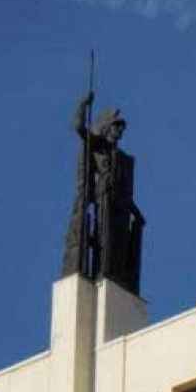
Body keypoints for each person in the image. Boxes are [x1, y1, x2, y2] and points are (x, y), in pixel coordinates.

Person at [61, 91, 145, 294]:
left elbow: (126, 192)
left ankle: (115, 277)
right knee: (105, 240)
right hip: (104, 199)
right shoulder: (99, 146)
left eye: (121, 127)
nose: (120, 131)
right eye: (117, 126)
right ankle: (103, 273)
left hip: (121, 206)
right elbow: (79, 127)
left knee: (120, 245)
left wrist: (136, 212)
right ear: (108, 127)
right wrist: (84, 103)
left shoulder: (124, 158)